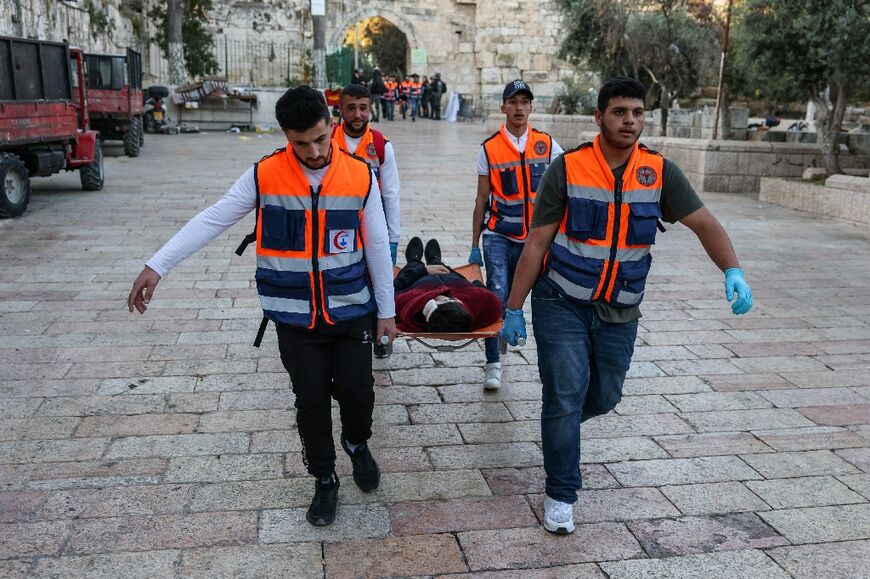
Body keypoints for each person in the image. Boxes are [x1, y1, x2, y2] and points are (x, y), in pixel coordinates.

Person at [127, 86, 397, 528]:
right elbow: (214, 218)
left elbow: (379, 250)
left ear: (331, 126)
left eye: (319, 139)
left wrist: (386, 312)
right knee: (310, 404)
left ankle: (357, 443)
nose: (312, 151)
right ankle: (325, 479)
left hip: (351, 312)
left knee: (358, 395)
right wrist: (158, 264)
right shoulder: (264, 175)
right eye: (300, 142)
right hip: (293, 318)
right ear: (285, 136)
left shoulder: (361, 176)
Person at [499, 77, 754, 535]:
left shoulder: (659, 172)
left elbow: (704, 223)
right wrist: (513, 308)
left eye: (637, 113)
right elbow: (537, 242)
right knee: (564, 391)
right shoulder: (568, 168)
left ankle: (560, 431)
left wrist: (732, 270)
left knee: (604, 396)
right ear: (599, 117)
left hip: (620, 310)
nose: (630, 121)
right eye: (619, 112)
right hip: (562, 301)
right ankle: (561, 492)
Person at [470, 79, 563, 390]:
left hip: (536, 239)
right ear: (504, 107)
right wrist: (474, 246)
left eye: (525, 102)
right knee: (497, 292)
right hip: (499, 234)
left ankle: (551, 364)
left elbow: (567, 189)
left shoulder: (549, 146)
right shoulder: (489, 148)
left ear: (531, 107)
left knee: (548, 301)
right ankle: (493, 363)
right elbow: (482, 199)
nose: (519, 107)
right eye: (514, 102)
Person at [333, 84, 402, 356]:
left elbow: (391, 193)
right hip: (338, 227)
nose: (358, 114)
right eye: (351, 108)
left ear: (371, 108)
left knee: (377, 281)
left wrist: (393, 238)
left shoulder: (382, 146)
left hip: (374, 229)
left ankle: (380, 336)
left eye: (363, 108)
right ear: (341, 110)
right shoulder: (328, 142)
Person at [395, 237, 502, 332]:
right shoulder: (485, 302)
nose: (445, 296)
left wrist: (423, 269)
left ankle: (414, 260)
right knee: (441, 266)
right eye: (448, 299)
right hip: (450, 276)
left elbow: (395, 288)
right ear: (457, 302)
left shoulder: (408, 303)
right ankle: (435, 260)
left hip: (418, 279)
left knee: (412, 267)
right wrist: (475, 285)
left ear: (430, 306)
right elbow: (487, 294)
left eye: (442, 300)